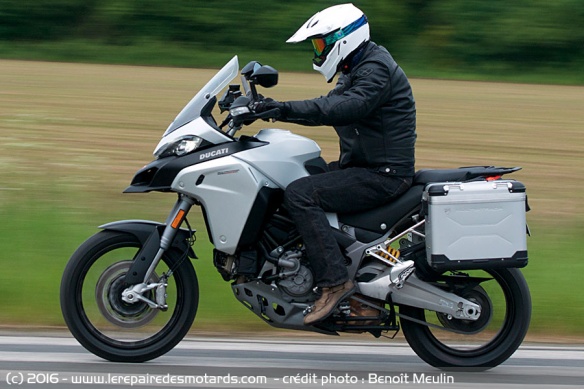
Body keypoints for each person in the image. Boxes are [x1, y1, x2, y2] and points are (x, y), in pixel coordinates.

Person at [256, 3, 417, 326]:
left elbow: (342, 107)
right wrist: (259, 107)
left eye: (320, 44)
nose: (318, 52)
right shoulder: (359, 66)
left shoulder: (375, 69)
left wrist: (279, 109)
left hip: (381, 175)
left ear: (344, 38)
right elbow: (329, 104)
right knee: (295, 176)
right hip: (362, 167)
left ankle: (334, 282)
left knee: (303, 194)